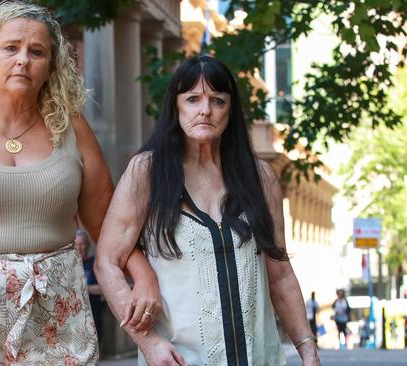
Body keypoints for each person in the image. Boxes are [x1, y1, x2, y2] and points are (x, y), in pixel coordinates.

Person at [0, 1, 159, 364]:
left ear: (50, 67)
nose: (23, 59)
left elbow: (108, 225)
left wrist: (143, 275)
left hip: (58, 314)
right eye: (11, 47)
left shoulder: (73, 130)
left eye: (36, 51)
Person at [94, 55, 320, 366]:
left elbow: (280, 274)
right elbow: (107, 262)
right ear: (176, 106)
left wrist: (308, 350)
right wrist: (148, 343)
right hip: (179, 360)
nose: (205, 110)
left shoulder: (260, 178)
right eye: (192, 99)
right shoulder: (147, 171)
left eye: (217, 100)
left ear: (231, 110)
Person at [74, 229, 104, 344]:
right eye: (77, 244)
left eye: (82, 244)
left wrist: (83, 288)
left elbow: (103, 289)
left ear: (87, 245)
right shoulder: (71, 265)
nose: (79, 247)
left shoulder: (94, 263)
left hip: (93, 310)